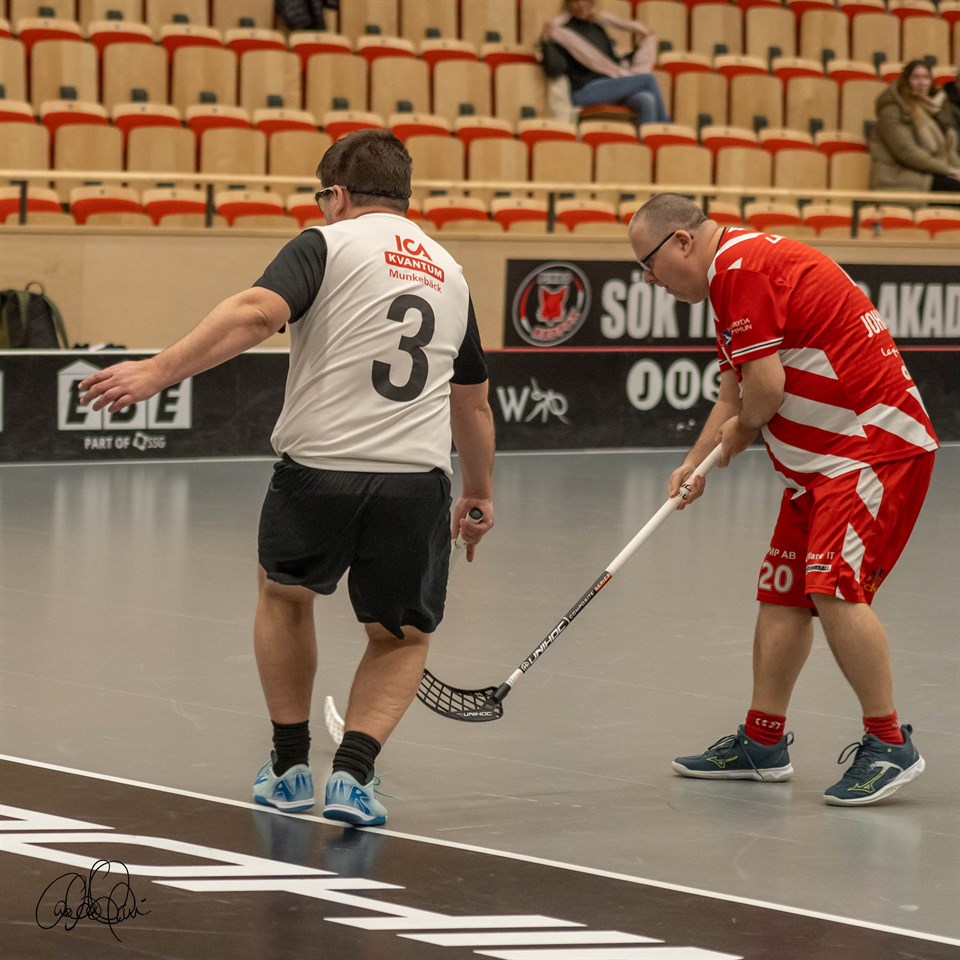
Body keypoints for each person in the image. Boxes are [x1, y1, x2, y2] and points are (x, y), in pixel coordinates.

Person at [78, 130, 496, 826]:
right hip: (414, 483)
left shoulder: (325, 244)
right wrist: (478, 491)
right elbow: (472, 401)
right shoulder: (450, 272)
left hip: (319, 472)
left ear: (337, 195)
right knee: (400, 636)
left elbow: (256, 312)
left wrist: (157, 370)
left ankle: (289, 767)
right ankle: (354, 776)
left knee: (285, 597)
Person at [628, 193, 939, 807]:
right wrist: (695, 464)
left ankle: (889, 743)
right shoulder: (732, 275)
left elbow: (764, 393)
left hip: (868, 450)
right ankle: (762, 741)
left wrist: (740, 435)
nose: (650, 280)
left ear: (682, 242)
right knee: (782, 594)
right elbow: (735, 393)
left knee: (832, 588)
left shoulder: (740, 270)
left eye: (649, 264)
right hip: (817, 466)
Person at [540, 0, 670, 128]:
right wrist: (546, 43)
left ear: (592, 2)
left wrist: (640, 47)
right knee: (648, 79)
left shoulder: (597, 27)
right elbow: (554, 69)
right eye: (575, 1)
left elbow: (613, 63)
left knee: (646, 99)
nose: (581, 4)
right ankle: (666, 129)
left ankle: (648, 140)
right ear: (567, 4)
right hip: (584, 91)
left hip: (609, 85)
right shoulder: (561, 32)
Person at [869, 59, 960, 193]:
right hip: (900, 176)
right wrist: (949, 170)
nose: (921, 82)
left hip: (929, 171)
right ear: (906, 81)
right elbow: (907, 152)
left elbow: (948, 150)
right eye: (916, 77)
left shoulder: (934, 108)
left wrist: (957, 169)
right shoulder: (892, 110)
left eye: (926, 77)